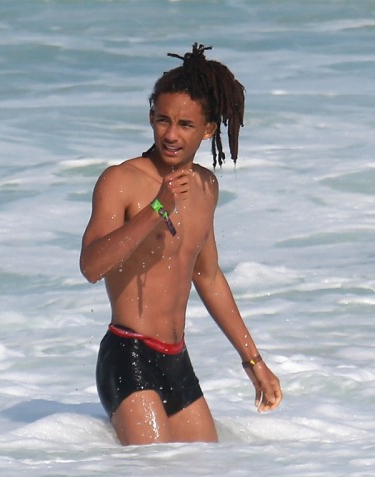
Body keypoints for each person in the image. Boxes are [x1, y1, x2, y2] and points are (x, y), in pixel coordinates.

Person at [80, 43, 282, 446]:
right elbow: (91, 266)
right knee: (156, 472)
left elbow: (208, 277)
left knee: (204, 469)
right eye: (163, 120)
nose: (171, 135)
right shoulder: (120, 180)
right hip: (128, 355)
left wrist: (253, 360)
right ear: (151, 117)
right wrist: (157, 208)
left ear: (208, 129)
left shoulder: (206, 187)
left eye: (185, 125)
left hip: (176, 358)